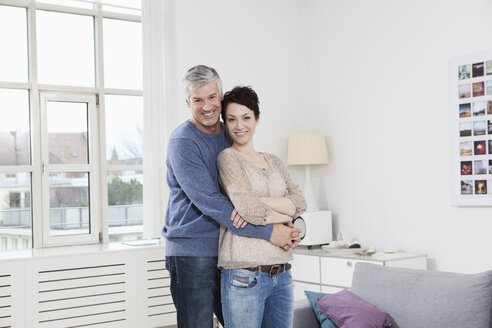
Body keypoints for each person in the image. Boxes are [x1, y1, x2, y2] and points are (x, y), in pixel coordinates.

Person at [162, 65, 301, 328]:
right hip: (194, 251)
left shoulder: (231, 133)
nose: (207, 106)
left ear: (221, 96)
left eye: (212, 97)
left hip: (232, 248)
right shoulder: (183, 142)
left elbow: (252, 192)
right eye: (197, 99)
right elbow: (211, 201)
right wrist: (270, 232)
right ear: (187, 102)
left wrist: (284, 222)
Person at [217, 86, 307, 328]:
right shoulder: (228, 158)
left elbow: (300, 202)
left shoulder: (274, 161)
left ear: (257, 119)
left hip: (283, 273)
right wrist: (284, 211)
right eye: (232, 119)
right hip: (244, 274)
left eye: (246, 118)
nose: (239, 126)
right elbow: (246, 207)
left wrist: (261, 203)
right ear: (225, 123)